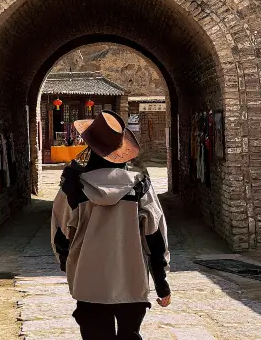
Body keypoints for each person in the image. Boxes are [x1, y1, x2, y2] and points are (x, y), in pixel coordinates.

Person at [51, 109, 171, 340]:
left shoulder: (73, 187)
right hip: (131, 281)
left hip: (89, 283)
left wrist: (70, 268)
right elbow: (154, 236)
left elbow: (61, 234)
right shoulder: (139, 186)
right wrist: (161, 283)